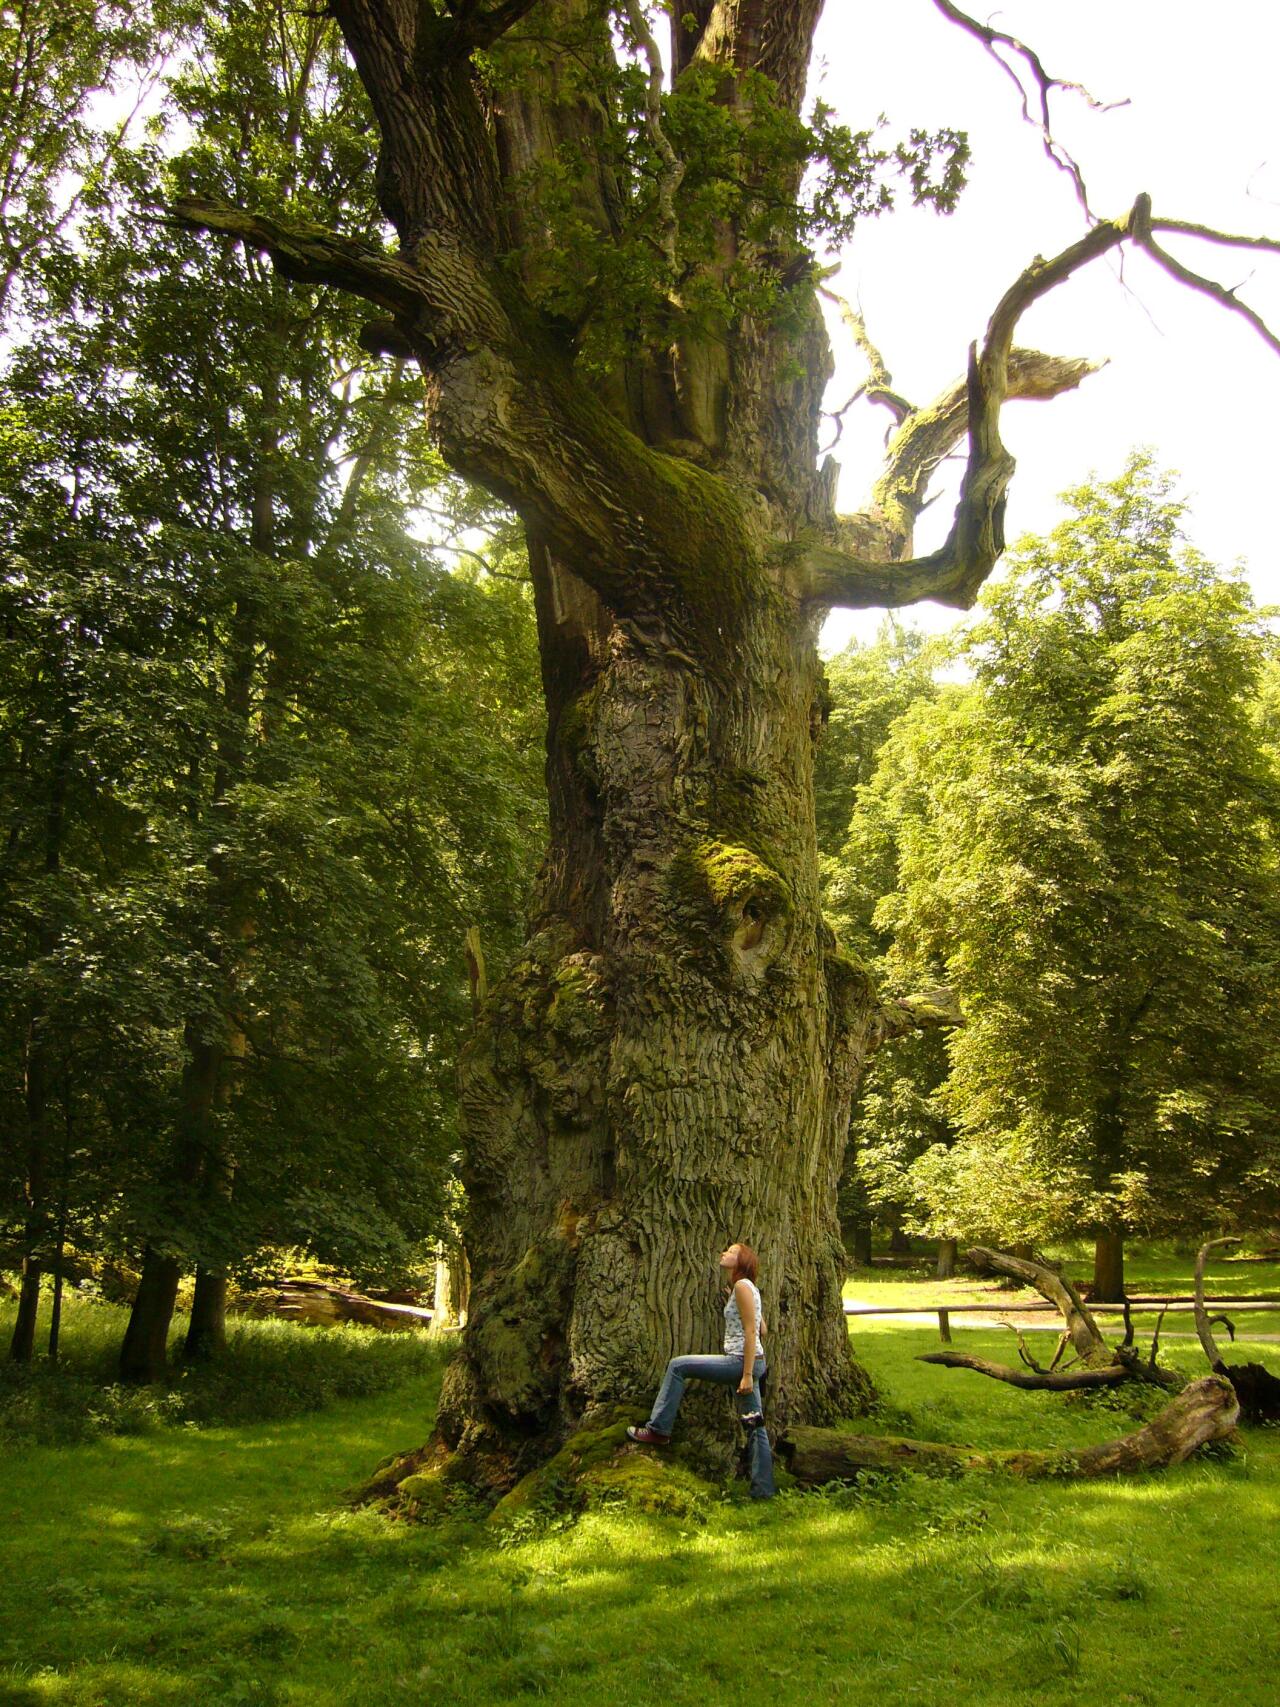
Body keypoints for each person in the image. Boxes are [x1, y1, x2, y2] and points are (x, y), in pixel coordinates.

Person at [626, 1241, 776, 1500]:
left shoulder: (742, 1287)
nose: (724, 1252)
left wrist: (747, 1375)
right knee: (755, 1424)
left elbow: (753, 1331)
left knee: (678, 1366)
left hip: (741, 1363)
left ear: (742, 1261)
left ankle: (658, 1430)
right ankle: (763, 1491)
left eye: (730, 1251)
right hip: (751, 1360)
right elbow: (763, 1328)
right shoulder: (745, 1288)